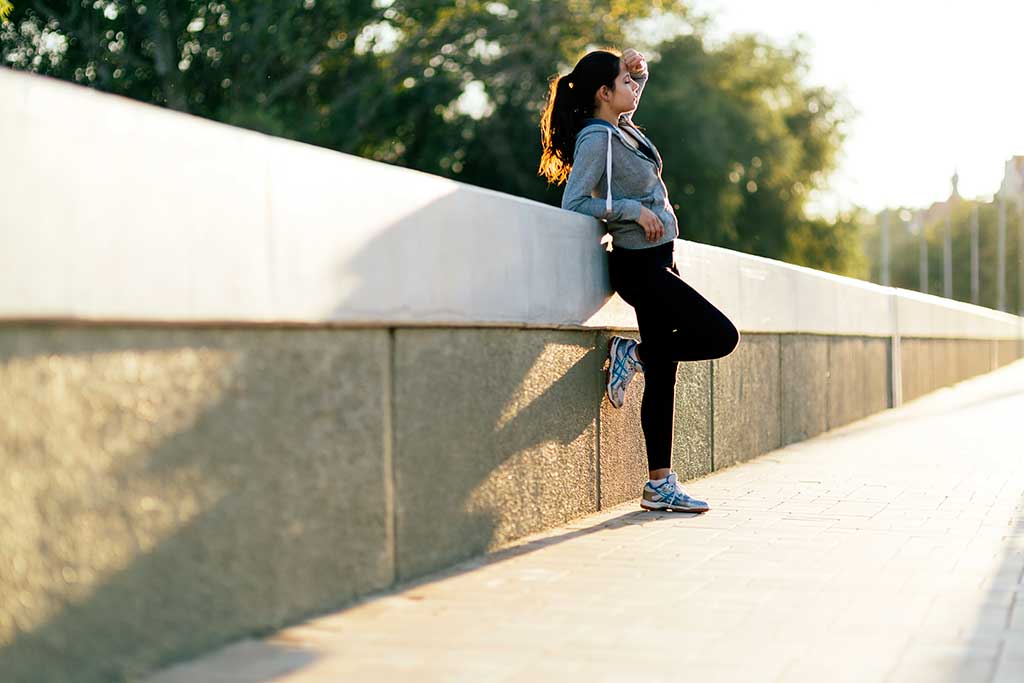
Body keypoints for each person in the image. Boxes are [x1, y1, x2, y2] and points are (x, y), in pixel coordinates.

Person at [538, 47, 740, 513]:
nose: (633, 88)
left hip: (659, 262)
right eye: (623, 83)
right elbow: (573, 203)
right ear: (603, 94)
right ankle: (634, 353)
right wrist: (632, 211)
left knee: (664, 376)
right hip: (640, 268)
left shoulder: (618, 129)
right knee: (720, 335)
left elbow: (628, 109)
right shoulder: (596, 139)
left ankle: (658, 485)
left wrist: (639, 76)